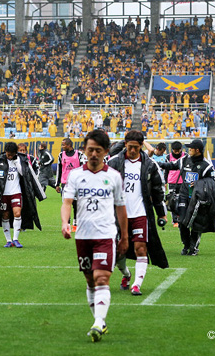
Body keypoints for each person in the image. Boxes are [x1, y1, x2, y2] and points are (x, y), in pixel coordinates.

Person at [61, 130, 127, 342]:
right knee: (90, 280)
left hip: (106, 234)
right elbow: (67, 202)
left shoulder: (114, 177)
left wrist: (124, 236)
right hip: (83, 235)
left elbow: (120, 207)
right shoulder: (75, 176)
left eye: (98, 150)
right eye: (90, 150)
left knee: (102, 277)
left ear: (106, 152)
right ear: (84, 150)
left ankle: (98, 323)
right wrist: (65, 223)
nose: (93, 154)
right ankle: (100, 319)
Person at [108, 130, 169, 295]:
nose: (133, 150)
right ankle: (126, 275)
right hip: (118, 215)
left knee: (141, 248)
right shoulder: (114, 163)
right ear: (125, 144)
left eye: (136, 147)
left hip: (141, 213)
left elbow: (158, 190)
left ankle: (137, 285)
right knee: (118, 251)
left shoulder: (149, 165)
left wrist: (161, 213)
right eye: (130, 147)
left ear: (141, 146)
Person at [159, 139, 215, 255]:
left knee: (196, 222)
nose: (188, 149)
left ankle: (193, 246)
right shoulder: (184, 160)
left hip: (198, 198)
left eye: (190, 148)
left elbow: (214, 181)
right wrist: (156, 164)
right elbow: (171, 165)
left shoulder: (206, 165)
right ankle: (186, 245)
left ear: (197, 150)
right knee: (182, 221)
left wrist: (199, 183)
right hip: (184, 195)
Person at [0, 142, 46, 248]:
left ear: (15, 153)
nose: (9, 156)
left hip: (16, 192)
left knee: (17, 213)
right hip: (3, 193)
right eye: (8, 154)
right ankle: (8, 240)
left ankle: (16, 239)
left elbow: (25, 173)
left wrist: (16, 162)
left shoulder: (21, 160)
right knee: (5, 215)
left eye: (11, 154)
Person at [56, 138, 87, 231]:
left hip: (77, 183)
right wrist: (57, 184)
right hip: (66, 183)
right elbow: (59, 169)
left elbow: (83, 168)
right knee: (67, 204)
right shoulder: (61, 155)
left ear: (69, 145)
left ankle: (76, 224)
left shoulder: (79, 154)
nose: (62, 147)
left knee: (76, 204)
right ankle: (67, 225)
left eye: (63, 145)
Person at [165, 141, 186, 227]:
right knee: (172, 202)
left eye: (178, 150)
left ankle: (182, 218)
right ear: (172, 149)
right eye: (175, 150)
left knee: (182, 201)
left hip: (183, 182)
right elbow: (166, 170)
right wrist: (165, 182)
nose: (177, 152)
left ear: (181, 149)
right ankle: (175, 221)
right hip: (172, 182)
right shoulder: (168, 157)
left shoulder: (185, 156)